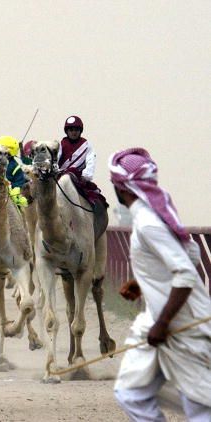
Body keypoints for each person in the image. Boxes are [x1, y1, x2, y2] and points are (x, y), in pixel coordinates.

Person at [109, 147, 211, 421]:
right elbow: (189, 254)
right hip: (156, 322)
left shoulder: (149, 223)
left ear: (122, 188)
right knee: (130, 394)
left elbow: (186, 273)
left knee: (201, 407)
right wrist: (142, 282)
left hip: (182, 325)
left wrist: (163, 324)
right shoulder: (150, 217)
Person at [58, 115, 95, 180]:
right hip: (61, 177)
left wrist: (85, 176)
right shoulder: (61, 144)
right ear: (67, 131)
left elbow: (91, 161)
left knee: (93, 190)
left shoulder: (86, 145)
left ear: (80, 131)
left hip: (79, 178)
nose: (74, 132)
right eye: (71, 130)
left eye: (76, 130)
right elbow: (56, 158)